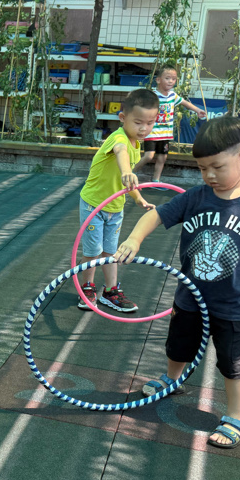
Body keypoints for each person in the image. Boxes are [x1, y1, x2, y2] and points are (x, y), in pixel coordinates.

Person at [115, 115, 240, 449]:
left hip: (233, 303)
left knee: (233, 363)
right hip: (189, 296)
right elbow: (155, 214)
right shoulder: (196, 197)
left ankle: (235, 415)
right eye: (203, 169)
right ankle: (172, 379)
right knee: (178, 346)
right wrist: (133, 239)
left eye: (217, 167)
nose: (209, 175)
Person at [75, 89, 158, 313]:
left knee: (111, 252)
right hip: (94, 204)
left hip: (115, 207)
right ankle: (87, 287)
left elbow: (127, 180)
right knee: (93, 250)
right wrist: (126, 172)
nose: (144, 128)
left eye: (150, 123)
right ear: (123, 118)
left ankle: (111, 291)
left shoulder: (136, 143)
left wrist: (138, 198)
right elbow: (121, 153)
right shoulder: (119, 138)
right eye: (138, 122)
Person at [135, 64, 206, 182]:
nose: (171, 81)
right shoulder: (153, 96)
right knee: (149, 156)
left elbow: (185, 103)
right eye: (167, 78)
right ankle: (131, 172)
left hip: (165, 133)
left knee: (162, 157)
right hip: (152, 132)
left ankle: (156, 180)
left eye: (173, 79)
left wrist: (198, 110)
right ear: (158, 80)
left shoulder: (173, 95)